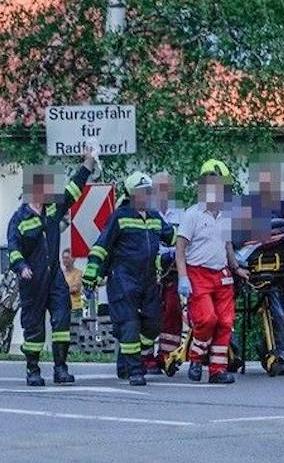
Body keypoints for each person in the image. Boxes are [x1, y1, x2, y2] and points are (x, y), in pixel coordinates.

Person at [7, 147, 96, 385]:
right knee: (34, 326)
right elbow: (13, 248)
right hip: (32, 280)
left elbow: (73, 191)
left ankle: (60, 369)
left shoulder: (53, 209)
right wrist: (22, 267)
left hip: (55, 276)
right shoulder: (19, 219)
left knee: (62, 321)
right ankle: (33, 370)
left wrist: (88, 163)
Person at [84, 172, 173, 385]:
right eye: (141, 192)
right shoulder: (119, 216)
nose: (145, 196)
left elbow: (172, 237)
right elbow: (101, 246)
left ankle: (125, 357)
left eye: (148, 192)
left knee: (152, 323)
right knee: (130, 324)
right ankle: (135, 369)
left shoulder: (154, 217)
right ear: (131, 194)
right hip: (123, 280)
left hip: (149, 280)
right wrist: (91, 273)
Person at [175, 160, 248, 384]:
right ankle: (196, 358)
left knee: (225, 322)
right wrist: (183, 277)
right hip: (198, 273)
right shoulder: (192, 215)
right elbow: (180, 247)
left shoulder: (225, 216)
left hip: (222, 273)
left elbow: (227, 245)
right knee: (207, 319)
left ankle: (217, 370)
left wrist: (236, 267)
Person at [237, 165, 284, 376]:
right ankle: (276, 354)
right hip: (253, 267)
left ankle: (269, 348)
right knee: (274, 310)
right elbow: (238, 239)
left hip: (283, 267)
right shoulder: (247, 206)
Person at [151, 171, 188, 372]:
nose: (164, 192)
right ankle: (145, 357)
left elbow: (184, 241)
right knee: (148, 314)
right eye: (159, 188)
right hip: (148, 270)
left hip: (172, 270)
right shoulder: (145, 211)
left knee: (173, 311)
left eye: (167, 188)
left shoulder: (181, 214)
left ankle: (167, 355)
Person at [62, 247, 85, 316]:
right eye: (63, 258)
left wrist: (61, 290)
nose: (65, 260)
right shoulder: (60, 274)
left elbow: (75, 289)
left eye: (67, 258)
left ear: (74, 259)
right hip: (63, 307)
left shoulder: (78, 273)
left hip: (75, 308)